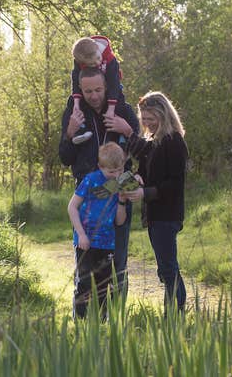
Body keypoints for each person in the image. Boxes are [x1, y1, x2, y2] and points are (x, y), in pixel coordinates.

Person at [59, 67, 138, 297]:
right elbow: (65, 158)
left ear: (107, 86)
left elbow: (141, 151)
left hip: (119, 187)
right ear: (80, 90)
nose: (93, 96)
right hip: (87, 193)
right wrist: (70, 133)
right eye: (88, 91)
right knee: (85, 262)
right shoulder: (74, 112)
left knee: (118, 262)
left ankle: (116, 313)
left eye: (98, 90)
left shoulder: (123, 109)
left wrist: (127, 130)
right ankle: (85, 313)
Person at [115, 91, 189, 314]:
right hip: (155, 215)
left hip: (168, 214)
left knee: (168, 268)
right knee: (165, 268)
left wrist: (145, 193)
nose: (147, 123)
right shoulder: (154, 141)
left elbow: (175, 184)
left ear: (164, 115)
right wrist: (138, 178)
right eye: (144, 119)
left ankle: (174, 315)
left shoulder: (174, 142)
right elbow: (148, 171)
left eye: (151, 118)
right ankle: (173, 314)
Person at [67, 142, 128, 319]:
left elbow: (120, 221)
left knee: (104, 285)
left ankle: (100, 323)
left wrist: (122, 200)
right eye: (111, 172)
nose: (116, 175)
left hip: (107, 243)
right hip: (85, 241)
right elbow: (72, 207)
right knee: (85, 282)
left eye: (119, 170)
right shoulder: (90, 180)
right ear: (101, 166)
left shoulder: (119, 183)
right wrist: (81, 235)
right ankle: (80, 321)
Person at [69, 36, 136, 144]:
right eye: (91, 64)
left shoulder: (111, 59)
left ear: (97, 48)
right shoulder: (79, 61)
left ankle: (118, 137)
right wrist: (76, 103)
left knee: (119, 107)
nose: (97, 63)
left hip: (112, 85)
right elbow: (76, 81)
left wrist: (111, 108)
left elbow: (114, 84)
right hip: (94, 83)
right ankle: (82, 131)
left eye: (98, 58)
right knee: (79, 106)